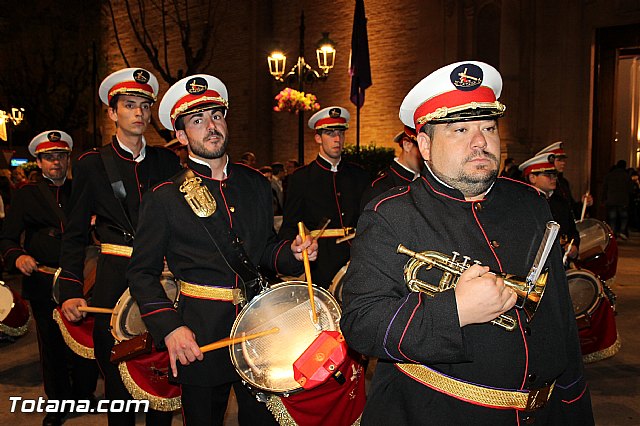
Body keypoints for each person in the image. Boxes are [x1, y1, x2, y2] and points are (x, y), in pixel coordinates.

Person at [340, 61, 593, 425]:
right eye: (460, 129)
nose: (480, 141)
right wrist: (454, 310)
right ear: (424, 146)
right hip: (440, 413)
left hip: (549, 410)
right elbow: (362, 324)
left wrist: (574, 401)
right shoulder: (389, 214)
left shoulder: (531, 203)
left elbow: (560, 316)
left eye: (488, 127)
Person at [126, 74, 318, 425]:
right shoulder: (164, 197)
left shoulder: (255, 184)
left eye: (216, 116)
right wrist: (170, 327)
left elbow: (263, 252)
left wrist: (292, 252)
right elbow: (142, 273)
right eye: (197, 121)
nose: (211, 127)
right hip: (198, 332)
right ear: (182, 136)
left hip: (259, 327)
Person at [59, 67, 181, 426]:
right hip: (113, 282)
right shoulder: (92, 164)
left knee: (163, 382)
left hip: (162, 281)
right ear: (112, 113)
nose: (140, 113)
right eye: (130, 105)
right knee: (118, 389)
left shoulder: (166, 162)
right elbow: (75, 233)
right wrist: (69, 288)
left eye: (145, 105)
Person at [0, 131, 99, 426]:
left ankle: (85, 395)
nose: (56, 163)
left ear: (68, 159)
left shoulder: (80, 190)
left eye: (60, 156)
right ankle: (58, 403)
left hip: (82, 279)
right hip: (43, 280)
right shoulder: (26, 195)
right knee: (52, 347)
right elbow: (6, 238)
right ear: (39, 162)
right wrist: (17, 255)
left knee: (84, 342)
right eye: (49, 157)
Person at [279, 106, 369, 289]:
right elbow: (289, 226)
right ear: (318, 138)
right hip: (320, 263)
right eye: (330, 133)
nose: (337, 139)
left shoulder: (360, 176)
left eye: (340, 133)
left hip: (358, 260)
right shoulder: (301, 178)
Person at [519, 152, 580, 262]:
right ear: (533, 178)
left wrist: (574, 245)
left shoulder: (560, 202)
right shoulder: (524, 203)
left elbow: (572, 231)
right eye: (548, 175)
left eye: (554, 175)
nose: (553, 179)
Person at [360, 125, 423, 210]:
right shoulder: (380, 188)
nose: (426, 153)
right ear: (407, 145)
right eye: (421, 147)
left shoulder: (425, 180)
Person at [536, 141, 592, 219]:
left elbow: (570, 209)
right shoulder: (544, 186)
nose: (563, 163)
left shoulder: (563, 183)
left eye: (563, 160)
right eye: (559, 160)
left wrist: (584, 204)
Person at [601, 159, 633, 239]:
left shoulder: (610, 175)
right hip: (623, 200)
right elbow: (630, 189)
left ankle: (613, 233)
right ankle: (622, 231)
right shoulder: (626, 176)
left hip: (611, 199)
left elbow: (604, 188)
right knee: (624, 217)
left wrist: (603, 199)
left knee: (612, 218)